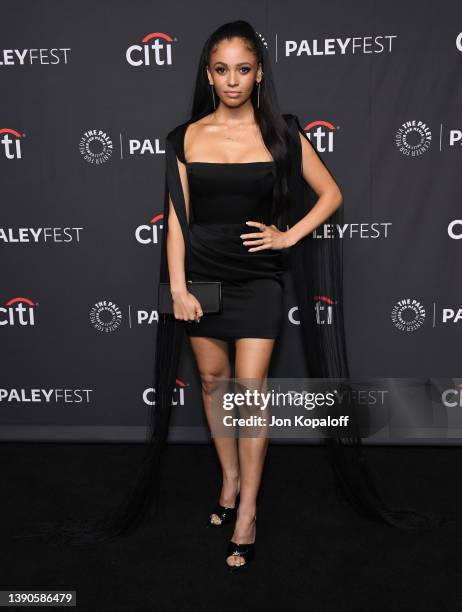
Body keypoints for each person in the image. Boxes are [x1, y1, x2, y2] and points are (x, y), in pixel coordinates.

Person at [19, 19, 444, 565]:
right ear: (209, 74)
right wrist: (177, 286)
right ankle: (229, 481)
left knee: (249, 393)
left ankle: (248, 510)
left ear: (259, 73)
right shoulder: (186, 137)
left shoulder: (283, 132)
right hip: (202, 275)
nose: (233, 80)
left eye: (243, 69)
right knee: (214, 383)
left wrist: (287, 235)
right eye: (222, 70)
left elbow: (332, 192)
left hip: (258, 279)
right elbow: (177, 219)